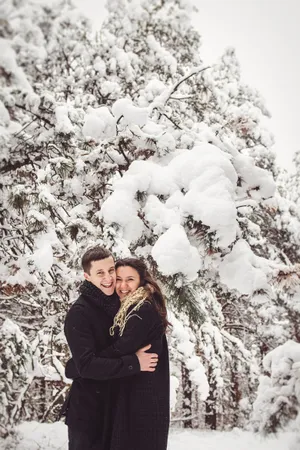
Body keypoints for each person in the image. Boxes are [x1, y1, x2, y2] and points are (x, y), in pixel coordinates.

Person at [62, 247, 159, 450]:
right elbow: (88, 366)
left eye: (111, 270)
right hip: (88, 413)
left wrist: (74, 367)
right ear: (87, 277)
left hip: (116, 409)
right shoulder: (79, 314)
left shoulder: (121, 303)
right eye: (100, 273)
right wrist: (134, 363)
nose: (108, 278)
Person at [102, 257, 171, 450]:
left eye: (130, 279)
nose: (123, 286)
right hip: (136, 399)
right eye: (118, 279)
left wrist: (86, 362)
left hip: (141, 405)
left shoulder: (142, 309)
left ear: (142, 281)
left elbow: (120, 348)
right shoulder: (131, 308)